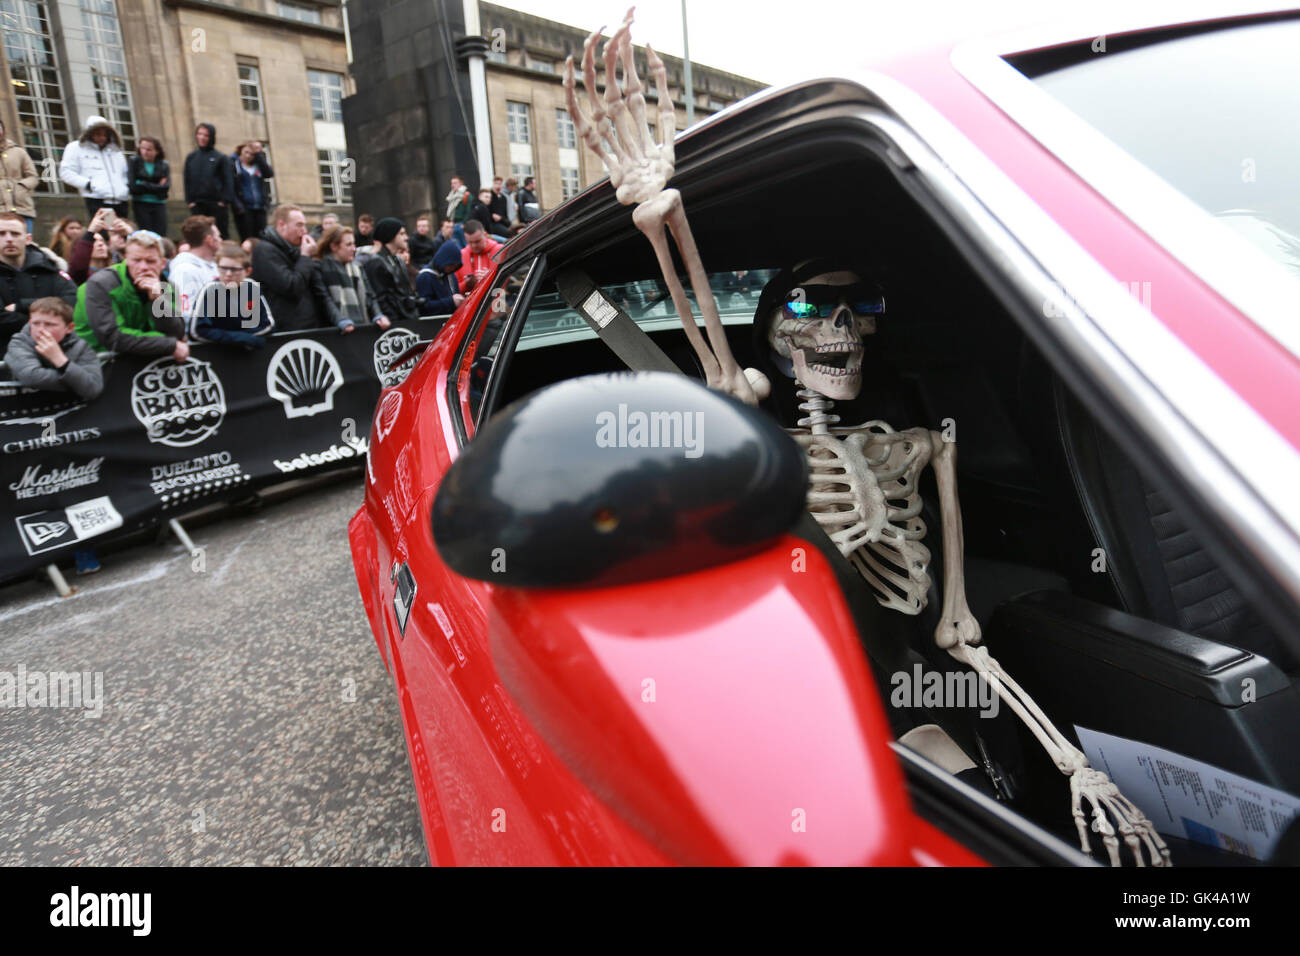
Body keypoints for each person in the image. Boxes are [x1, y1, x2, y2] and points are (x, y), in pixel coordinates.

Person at [73, 229, 186, 360]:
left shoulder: (167, 286)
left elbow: (176, 333)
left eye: (150, 261)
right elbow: (112, 337)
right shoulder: (101, 284)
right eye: (136, 260)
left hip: (142, 358)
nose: (143, 267)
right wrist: (167, 345)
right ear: (126, 260)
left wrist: (158, 301)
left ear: (162, 264)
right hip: (98, 363)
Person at [250, 203, 340, 332]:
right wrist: (305, 256)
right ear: (282, 225)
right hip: (287, 330)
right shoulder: (264, 250)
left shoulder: (293, 250)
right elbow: (291, 286)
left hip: (309, 326)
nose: (304, 231)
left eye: (304, 225)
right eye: (299, 225)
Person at [0, 212, 78, 352]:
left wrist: (21, 306)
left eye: (15, 234)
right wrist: (51, 321)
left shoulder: (49, 267)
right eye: (2, 234)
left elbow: (70, 302)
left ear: (28, 239)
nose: (9, 239)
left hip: (57, 354)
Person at [3, 296, 103, 400]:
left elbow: (93, 389)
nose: (40, 330)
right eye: (35, 323)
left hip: (71, 410)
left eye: (49, 324)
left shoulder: (80, 346)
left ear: (69, 328)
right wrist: (76, 383)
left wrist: (60, 360)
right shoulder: (19, 342)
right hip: (28, 409)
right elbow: (32, 377)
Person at [190, 243, 274, 349]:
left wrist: (247, 337)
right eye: (223, 268)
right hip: (217, 355)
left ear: (247, 271)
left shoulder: (252, 288)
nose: (228, 274)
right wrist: (238, 337)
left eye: (234, 270)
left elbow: (268, 324)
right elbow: (197, 330)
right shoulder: (210, 290)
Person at [314, 224, 390, 333]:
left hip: (361, 328)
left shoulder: (357, 267)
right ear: (334, 246)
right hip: (336, 333)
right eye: (348, 245)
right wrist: (340, 320)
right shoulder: (320, 268)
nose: (354, 249)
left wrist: (378, 315)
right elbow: (324, 299)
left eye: (354, 244)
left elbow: (370, 296)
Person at [59, 115, 130, 219]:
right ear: (89, 133)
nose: (102, 138)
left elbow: (124, 173)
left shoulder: (115, 151)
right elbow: (66, 172)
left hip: (121, 200)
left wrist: (124, 189)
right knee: (105, 232)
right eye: (98, 134)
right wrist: (89, 185)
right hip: (99, 200)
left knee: (122, 232)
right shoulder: (76, 148)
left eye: (105, 135)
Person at [361, 217, 421, 322]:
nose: (406, 237)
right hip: (393, 325)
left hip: (407, 319)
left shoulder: (399, 261)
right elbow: (381, 300)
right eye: (401, 234)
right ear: (390, 235)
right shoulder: (376, 263)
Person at [183, 123, 233, 239]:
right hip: (198, 204)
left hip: (216, 204)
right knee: (200, 235)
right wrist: (190, 201)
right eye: (199, 134)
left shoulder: (220, 157)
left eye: (206, 135)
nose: (202, 138)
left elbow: (228, 180)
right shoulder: (191, 157)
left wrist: (224, 201)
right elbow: (187, 180)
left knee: (220, 234)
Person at [168, 215, 221, 319]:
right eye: (218, 236)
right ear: (209, 240)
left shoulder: (215, 266)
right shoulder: (184, 270)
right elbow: (185, 314)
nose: (220, 240)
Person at [65, 207, 131, 284]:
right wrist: (90, 232)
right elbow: (78, 267)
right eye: (94, 242)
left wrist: (130, 234)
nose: (100, 244)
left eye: (102, 241)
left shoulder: (117, 269)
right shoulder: (81, 274)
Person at [0, 118, 39, 234]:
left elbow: (33, 177)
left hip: (22, 209)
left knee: (26, 246)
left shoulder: (19, 152)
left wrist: (21, 187)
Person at [231, 140, 274, 241]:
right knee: (247, 238)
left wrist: (259, 154)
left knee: (261, 237)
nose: (248, 156)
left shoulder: (258, 167)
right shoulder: (235, 166)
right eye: (246, 152)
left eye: (251, 153)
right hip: (244, 208)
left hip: (260, 207)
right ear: (240, 153)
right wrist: (237, 205)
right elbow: (231, 188)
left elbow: (269, 173)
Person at [128, 136, 169, 236]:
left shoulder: (163, 164)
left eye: (149, 150)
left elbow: (165, 188)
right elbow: (133, 186)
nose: (145, 152)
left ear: (157, 151)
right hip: (141, 203)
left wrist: (142, 184)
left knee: (161, 234)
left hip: (159, 203)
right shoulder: (134, 162)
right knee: (146, 234)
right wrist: (156, 186)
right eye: (142, 148)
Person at [414, 239, 465, 315]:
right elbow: (424, 307)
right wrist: (451, 302)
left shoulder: (451, 276)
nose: (452, 269)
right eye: (450, 265)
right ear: (444, 260)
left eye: (455, 267)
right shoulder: (425, 276)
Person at [456, 220, 502, 292]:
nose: (474, 246)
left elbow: (507, 281)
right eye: (470, 242)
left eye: (477, 241)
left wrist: (491, 277)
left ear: (485, 235)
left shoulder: (499, 251)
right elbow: (454, 290)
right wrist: (467, 283)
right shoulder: (461, 255)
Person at [445, 175, 471, 242]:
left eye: (455, 183)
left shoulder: (466, 195)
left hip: (461, 224)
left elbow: (469, 211)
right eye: (452, 183)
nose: (453, 185)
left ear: (461, 183)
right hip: (453, 223)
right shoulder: (452, 196)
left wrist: (464, 223)